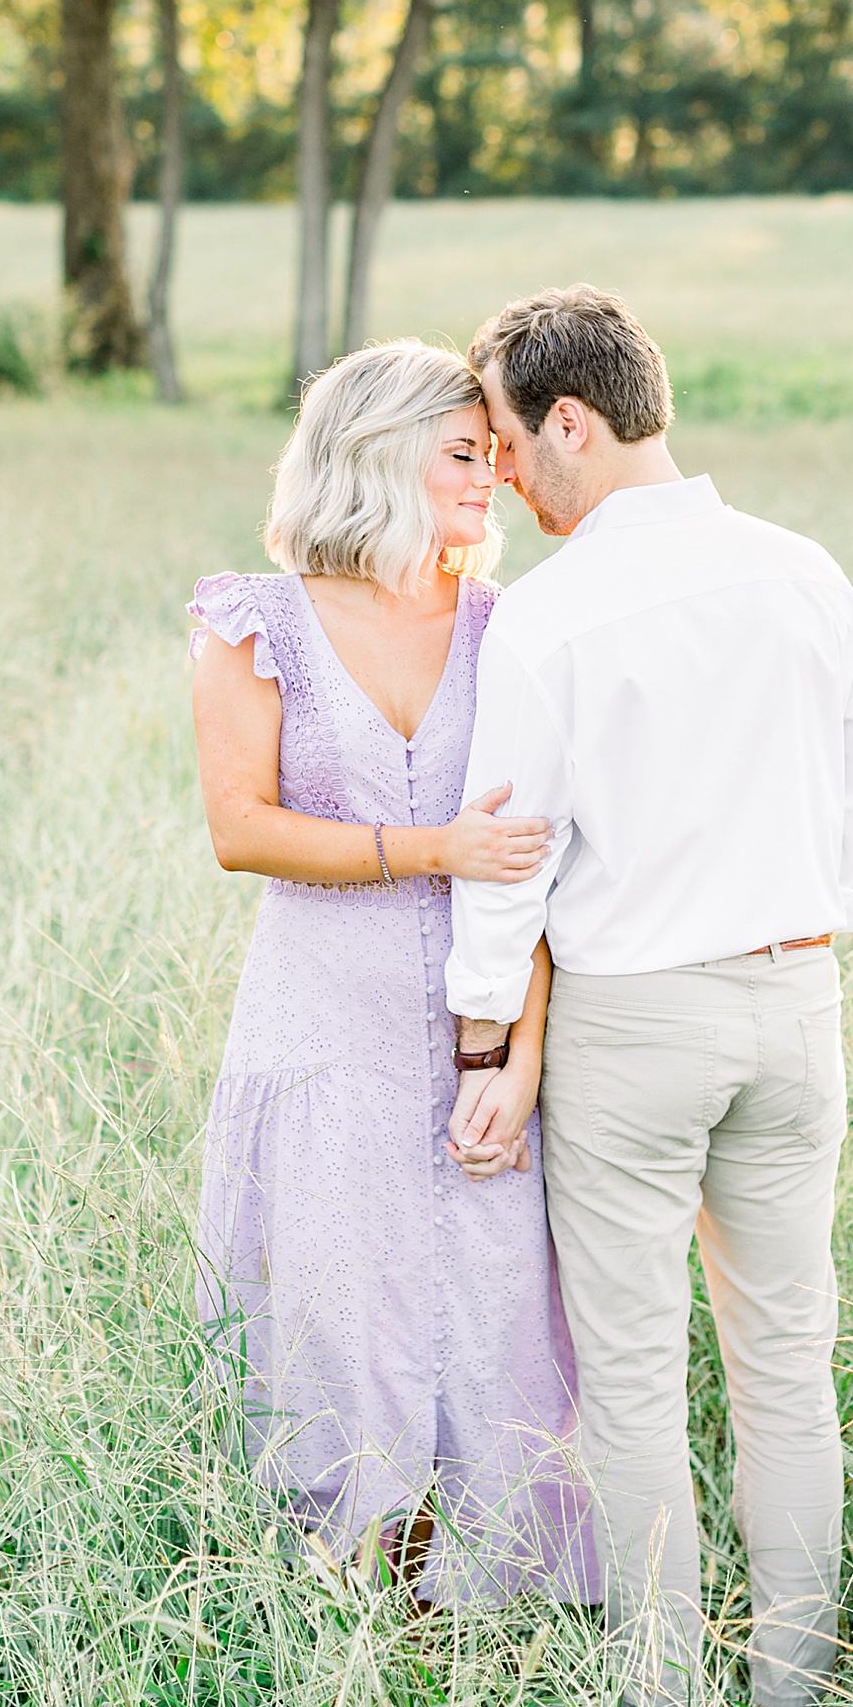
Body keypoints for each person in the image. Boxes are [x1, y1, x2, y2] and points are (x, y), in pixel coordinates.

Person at [443, 285, 853, 1707]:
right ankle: (796, 1696)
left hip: (633, 1023)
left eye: (506, 439)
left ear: (571, 420)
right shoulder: (807, 571)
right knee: (786, 1366)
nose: (501, 471)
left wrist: (479, 1038)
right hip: (797, 997)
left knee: (632, 1383)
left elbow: (510, 860)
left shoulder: (551, 617)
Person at [187, 338, 596, 1607]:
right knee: (337, 1306)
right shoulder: (256, 619)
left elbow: (542, 861)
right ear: (378, 452)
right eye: (467, 452)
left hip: (483, 1027)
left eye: (496, 451)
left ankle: (497, 1608)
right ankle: (347, 1597)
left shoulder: (508, 625)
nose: (495, 476)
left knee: (493, 1307)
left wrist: (522, 1056)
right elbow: (240, 826)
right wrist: (433, 847)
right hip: (324, 1020)